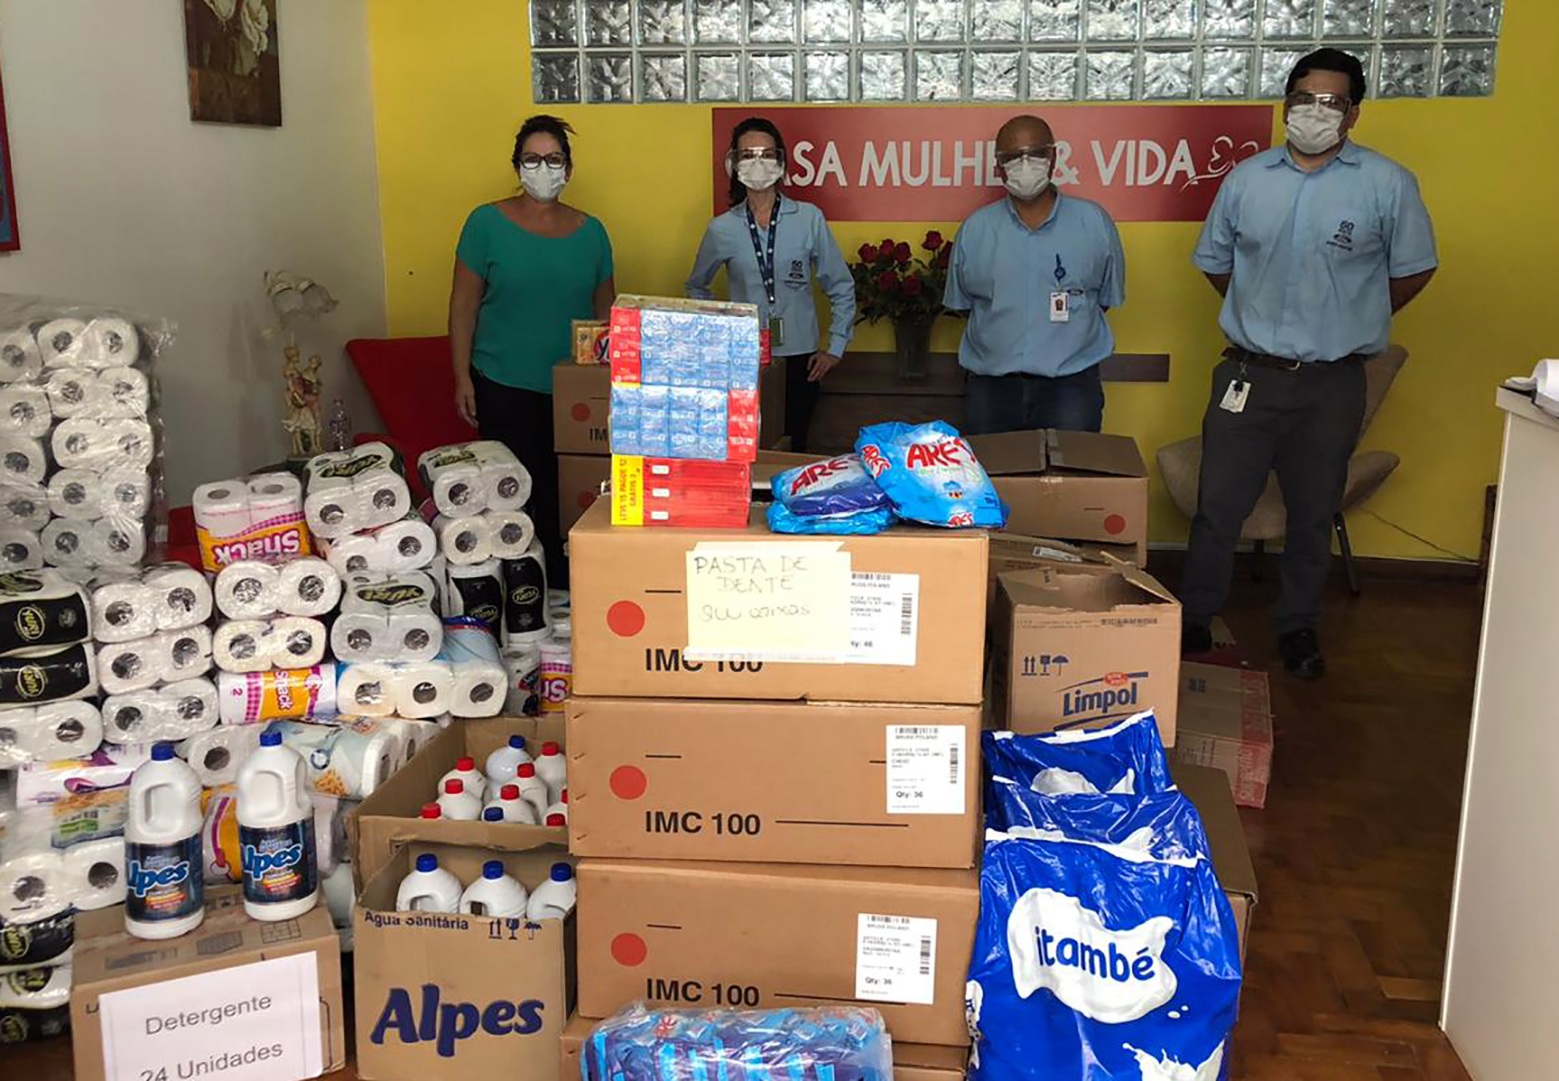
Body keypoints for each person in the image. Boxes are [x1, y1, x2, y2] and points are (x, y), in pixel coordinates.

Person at [1181, 48, 1437, 679]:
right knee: (1218, 508)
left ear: (1353, 113)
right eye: (1304, 99)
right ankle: (1194, 618)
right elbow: (1216, 263)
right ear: (1285, 104)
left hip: (1331, 383)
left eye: (1332, 102)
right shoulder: (1247, 179)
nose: (1315, 112)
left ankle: (1297, 628)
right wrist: (1257, 317)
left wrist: (1354, 317)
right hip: (1247, 375)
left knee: (1313, 514)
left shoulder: (1387, 183)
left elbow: (1414, 269)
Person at [449, 114, 615, 585]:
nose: (544, 168)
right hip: (502, 381)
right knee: (510, 499)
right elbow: (463, 305)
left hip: (573, 392)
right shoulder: (485, 224)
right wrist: (460, 377)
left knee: (566, 498)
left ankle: (567, 591)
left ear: (569, 168)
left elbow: (607, 316)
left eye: (554, 159)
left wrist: (611, 383)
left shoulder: (592, 232)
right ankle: (517, 593)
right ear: (517, 166)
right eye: (533, 159)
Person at [942, 114, 1125, 435]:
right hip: (992, 390)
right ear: (999, 166)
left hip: (1071, 389)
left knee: (1073, 469)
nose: (1025, 164)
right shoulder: (975, 229)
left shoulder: (1094, 223)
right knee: (993, 470)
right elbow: (964, 306)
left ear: (1053, 157)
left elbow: (1104, 299)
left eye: (1035, 154)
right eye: (1013, 157)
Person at [685, 117, 855, 453]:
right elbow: (696, 287)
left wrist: (836, 346)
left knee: (795, 446)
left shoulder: (808, 218)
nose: (758, 162)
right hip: (745, 358)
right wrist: (719, 339)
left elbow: (840, 284)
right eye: (748, 155)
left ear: (781, 162)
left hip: (801, 358)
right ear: (734, 164)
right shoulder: (722, 228)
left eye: (766, 154)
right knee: (747, 448)